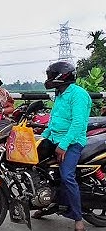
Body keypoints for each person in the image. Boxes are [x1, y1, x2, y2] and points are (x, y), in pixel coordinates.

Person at [32, 61, 91, 231]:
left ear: (62, 76)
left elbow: (78, 123)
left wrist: (64, 145)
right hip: (55, 138)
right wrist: (41, 138)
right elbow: (54, 121)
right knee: (36, 167)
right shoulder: (60, 93)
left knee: (67, 176)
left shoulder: (78, 94)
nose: (48, 79)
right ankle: (45, 203)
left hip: (73, 142)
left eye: (51, 76)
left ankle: (78, 218)